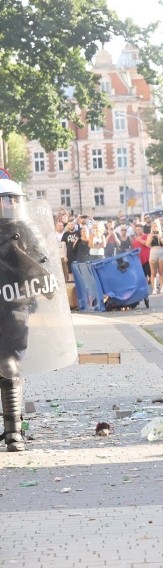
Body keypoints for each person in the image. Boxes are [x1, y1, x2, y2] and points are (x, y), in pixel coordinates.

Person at [0, 180, 54, 451]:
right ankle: (14, 434)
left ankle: (14, 432)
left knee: (10, 366)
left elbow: (44, 265)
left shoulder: (25, 228)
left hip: (15, 307)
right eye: (5, 199)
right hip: (13, 306)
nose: (9, 205)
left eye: (13, 199)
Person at [146, 219, 163, 294]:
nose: (155, 228)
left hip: (161, 252)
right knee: (153, 272)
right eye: (154, 226)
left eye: (156, 226)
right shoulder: (150, 234)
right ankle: (154, 289)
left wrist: (160, 236)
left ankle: (162, 287)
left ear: (159, 227)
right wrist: (152, 236)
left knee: (161, 271)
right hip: (153, 252)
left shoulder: (162, 233)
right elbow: (147, 244)